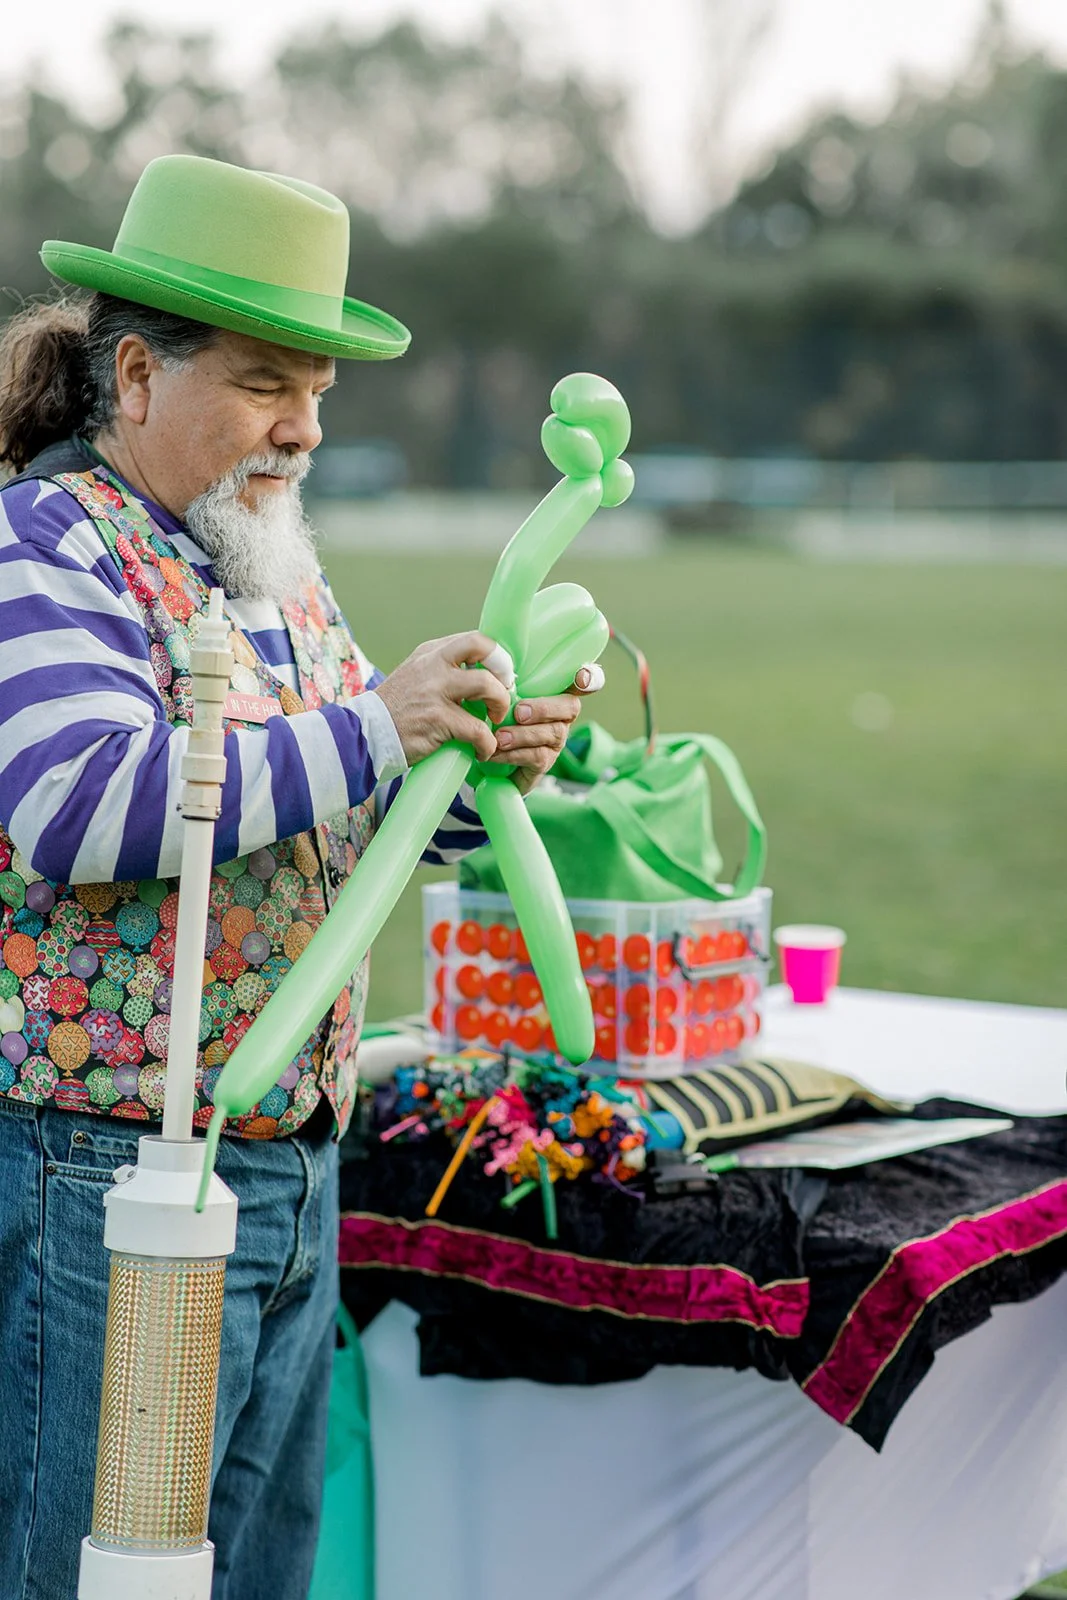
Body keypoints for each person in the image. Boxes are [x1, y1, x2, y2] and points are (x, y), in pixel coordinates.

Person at [0, 154, 597, 1600]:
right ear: (135, 375)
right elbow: (75, 808)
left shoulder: (267, 563)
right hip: (109, 1171)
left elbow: (333, 820)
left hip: (281, 1166)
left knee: (253, 1570)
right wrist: (376, 722)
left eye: (320, 392)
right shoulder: (48, 542)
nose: (306, 428)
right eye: (271, 384)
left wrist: (463, 768)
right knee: (102, 1574)